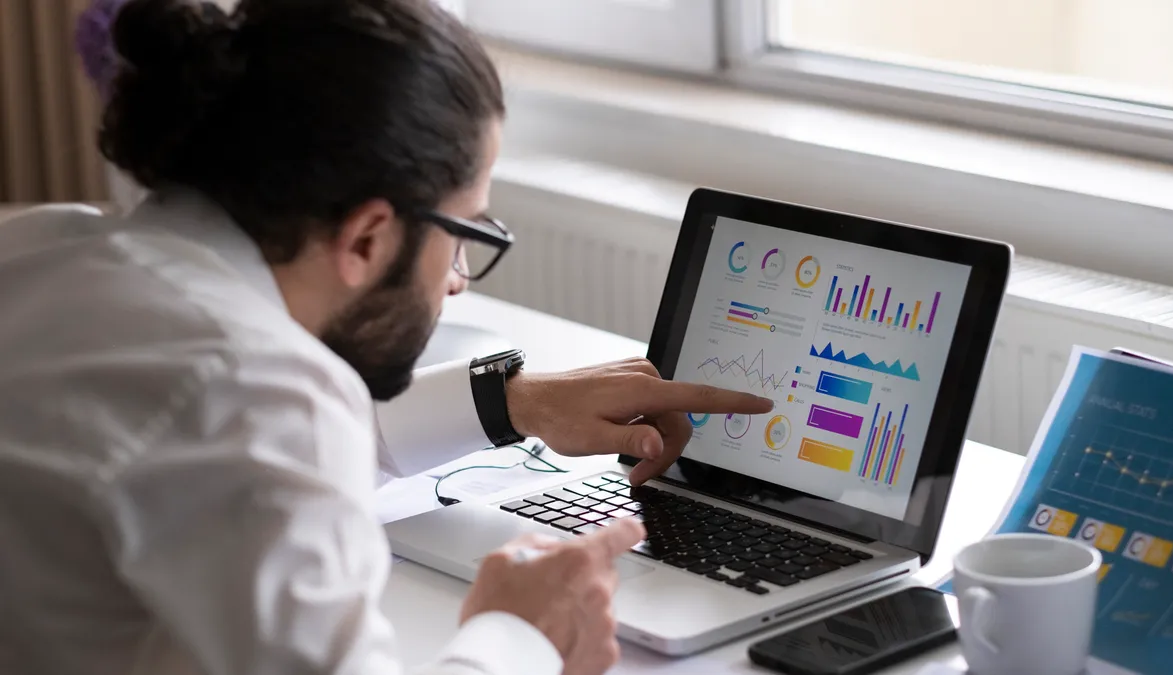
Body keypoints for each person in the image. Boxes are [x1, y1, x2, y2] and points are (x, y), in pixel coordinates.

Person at [0, 1, 774, 674]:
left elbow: (204, 458)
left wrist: (507, 404)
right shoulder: (253, 389)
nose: (460, 277)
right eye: (464, 229)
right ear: (368, 235)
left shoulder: (38, 246)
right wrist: (519, 632)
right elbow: (243, 430)